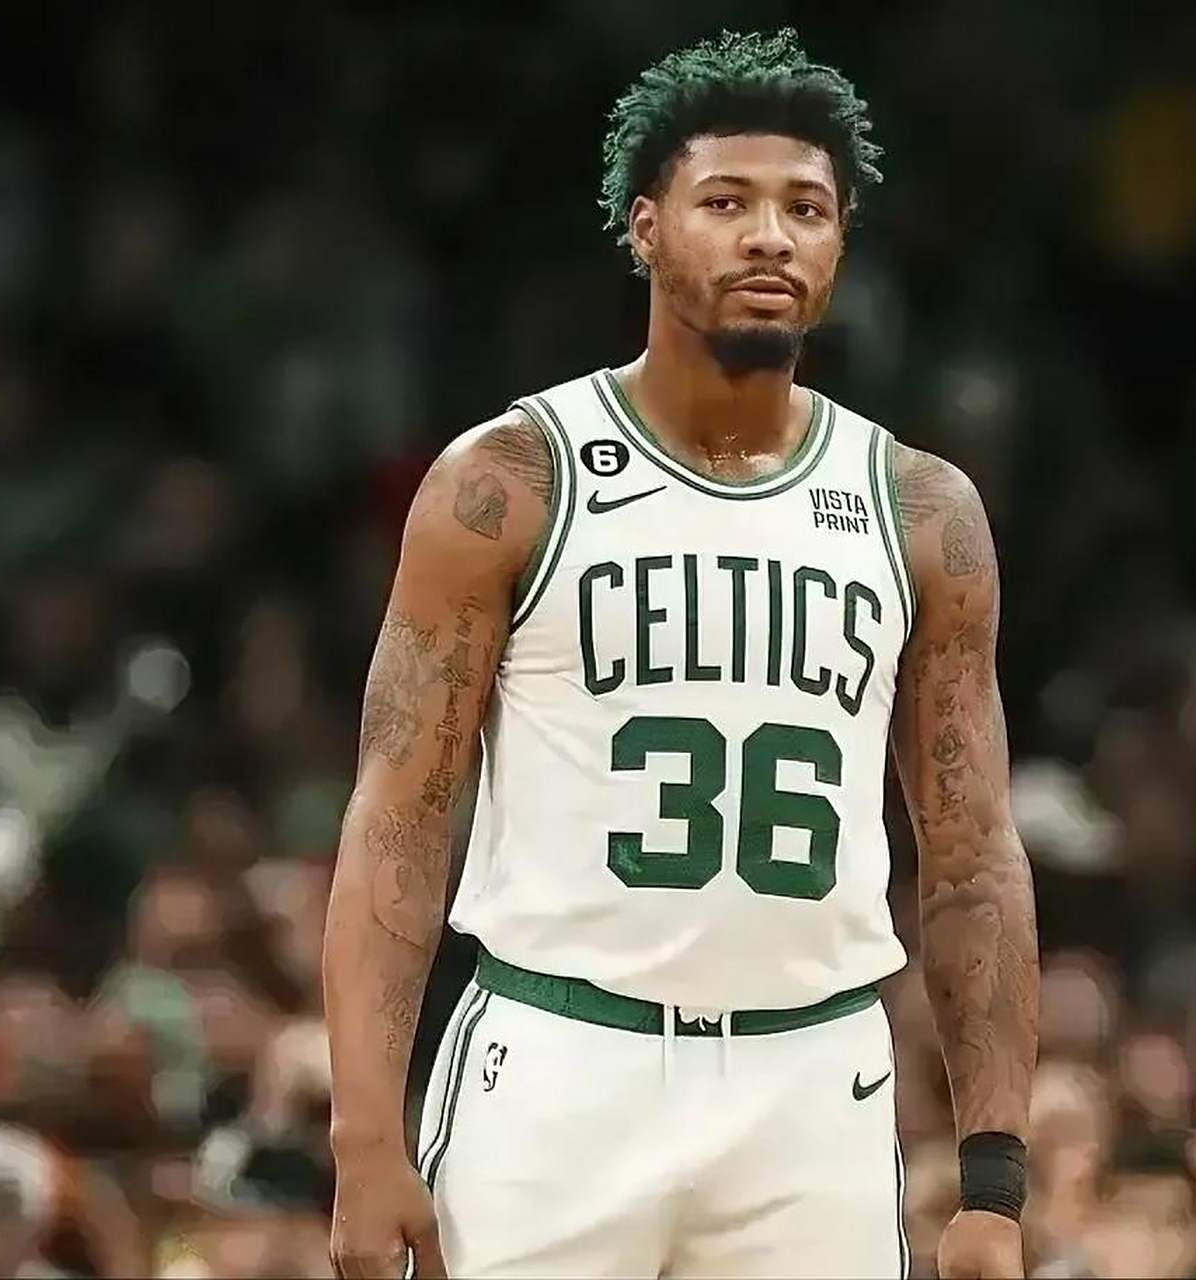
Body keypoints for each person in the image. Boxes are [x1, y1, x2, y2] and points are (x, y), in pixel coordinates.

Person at [322, 28, 1039, 1279]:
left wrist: (992, 1178)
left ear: (840, 242)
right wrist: (362, 1133)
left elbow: (972, 852)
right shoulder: (512, 478)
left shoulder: (921, 509)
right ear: (644, 228)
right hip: (557, 1061)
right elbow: (399, 815)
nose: (770, 236)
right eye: (726, 202)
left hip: (812, 1077)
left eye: (805, 209)